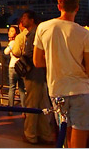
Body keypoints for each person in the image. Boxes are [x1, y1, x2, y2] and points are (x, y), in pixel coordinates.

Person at [33, 0, 89, 148]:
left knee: (65, 136)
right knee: (79, 139)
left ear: (59, 6)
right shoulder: (85, 34)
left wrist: (57, 62)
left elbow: (37, 61)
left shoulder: (43, 28)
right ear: (77, 8)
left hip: (57, 90)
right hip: (81, 90)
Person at [19, 10, 55, 144]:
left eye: (24, 17)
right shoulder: (37, 32)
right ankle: (45, 134)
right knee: (40, 103)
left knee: (32, 103)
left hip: (33, 73)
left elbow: (30, 53)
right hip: (39, 72)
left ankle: (30, 134)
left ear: (32, 20)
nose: (22, 20)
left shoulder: (34, 34)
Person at [4, 24, 26, 114]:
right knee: (21, 89)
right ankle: (24, 109)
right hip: (21, 67)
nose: (9, 32)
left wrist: (9, 46)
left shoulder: (13, 43)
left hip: (13, 66)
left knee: (12, 88)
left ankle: (10, 109)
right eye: (9, 31)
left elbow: (5, 52)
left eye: (12, 31)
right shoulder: (22, 41)